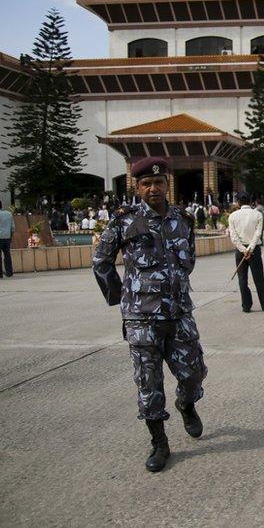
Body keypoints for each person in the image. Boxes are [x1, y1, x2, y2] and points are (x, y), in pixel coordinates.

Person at [92, 157, 208, 473]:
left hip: (180, 314)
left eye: (158, 183)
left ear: (166, 184)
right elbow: (101, 262)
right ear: (137, 187)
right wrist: (123, 298)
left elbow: (190, 259)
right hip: (141, 320)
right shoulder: (123, 221)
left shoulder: (183, 219)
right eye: (146, 184)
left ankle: (186, 403)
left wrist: (177, 287)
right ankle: (159, 443)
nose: (153, 188)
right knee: (149, 383)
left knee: (193, 372)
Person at [228, 193, 264, 313]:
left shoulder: (232, 216)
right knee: (259, 278)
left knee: (242, 279)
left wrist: (243, 249)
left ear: (238, 203)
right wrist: (250, 248)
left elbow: (233, 236)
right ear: (251, 202)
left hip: (241, 251)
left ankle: (246, 306)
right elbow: (258, 233)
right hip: (254, 249)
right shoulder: (257, 214)